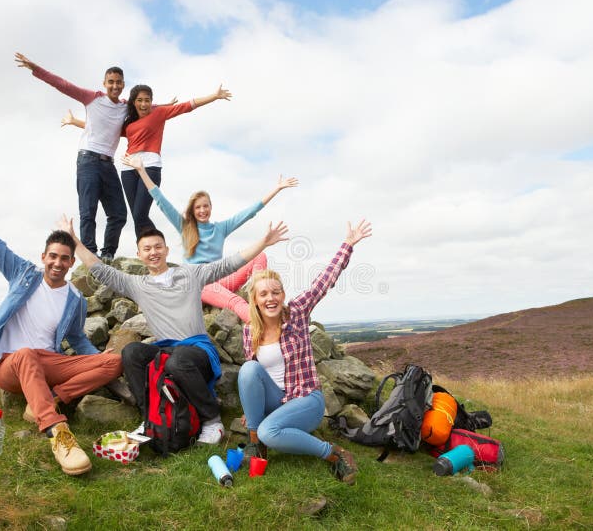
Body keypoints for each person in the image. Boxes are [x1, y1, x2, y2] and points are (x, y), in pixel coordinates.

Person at [0, 163, 123, 476]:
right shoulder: (23, 275)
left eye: (64, 258)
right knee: (25, 354)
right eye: (52, 256)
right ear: (43, 257)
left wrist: (95, 357)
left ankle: (48, 400)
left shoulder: (74, 298)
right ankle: (57, 433)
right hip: (11, 366)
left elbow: (76, 338)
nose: (58, 263)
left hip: (48, 363)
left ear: (72, 262)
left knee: (114, 363)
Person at [58, 215, 288, 445]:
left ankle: (212, 421)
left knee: (176, 361)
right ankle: (150, 419)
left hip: (197, 351)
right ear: (140, 255)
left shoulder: (190, 274)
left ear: (167, 250)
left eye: (158, 246)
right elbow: (101, 270)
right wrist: (74, 239)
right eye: (146, 249)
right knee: (131, 353)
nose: (153, 252)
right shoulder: (137, 285)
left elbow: (228, 264)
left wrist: (263, 243)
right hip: (167, 350)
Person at [238, 219, 372, 484]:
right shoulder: (249, 330)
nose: (270, 298)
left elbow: (324, 282)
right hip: (276, 400)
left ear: (283, 294)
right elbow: (252, 379)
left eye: (276, 292)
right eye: (263, 294)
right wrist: (250, 411)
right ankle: (256, 442)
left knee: (269, 430)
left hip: (306, 400)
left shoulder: (297, 312)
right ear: (255, 300)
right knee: (248, 369)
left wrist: (347, 245)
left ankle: (333, 454)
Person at [121, 153, 297, 323]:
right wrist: (142, 171)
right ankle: (266, 323)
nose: (202, 210)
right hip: (199, 284)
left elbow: (250, 212)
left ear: (211, 207)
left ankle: (261, 294)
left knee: (260, 255)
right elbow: (160, 200)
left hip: (222, 278)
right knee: (236, 302)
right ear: (193, 209)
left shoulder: (220, 228)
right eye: (198, 207)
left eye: (206, 206)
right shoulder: (185, 227)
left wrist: (277, 189)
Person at [65, 83, 232, 239]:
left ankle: (158, 244)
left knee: (140, 214)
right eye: (139, 100)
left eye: (147, 100)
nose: (143, 104)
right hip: (129, 169)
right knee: (137, 217)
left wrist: (214, 96)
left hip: (150, 166)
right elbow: (104, 129)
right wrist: (74, 122)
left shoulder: (159, 113)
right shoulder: (129, 122)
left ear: (152, 102)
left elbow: (188, 105)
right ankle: (145, 251)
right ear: (133, 102)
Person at [15, 52, 128, 262]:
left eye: (118, 83)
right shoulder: (92, 98)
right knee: (88, 212)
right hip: (88, 161)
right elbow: (63, 85)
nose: (114, 86)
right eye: (110, 82)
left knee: (119, 213)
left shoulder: (124, 107)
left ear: (123, 84)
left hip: (108, 163)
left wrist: (169, 107)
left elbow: (148, 110)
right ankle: (90, 255)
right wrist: (36, 69)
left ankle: (108, 254)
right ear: (104, 83)